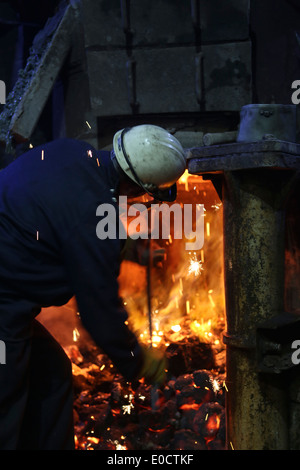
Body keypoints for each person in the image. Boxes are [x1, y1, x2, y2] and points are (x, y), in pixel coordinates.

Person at [0, 124, 186, 449]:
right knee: (6, 401)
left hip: (10, 296)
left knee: (52, 373)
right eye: (145, 193)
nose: (140, 200)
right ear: (135, 184)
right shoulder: (92, 215)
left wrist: (125, 246)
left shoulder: (74, 152)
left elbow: (61, 221)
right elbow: (98, 311)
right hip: (4, 305)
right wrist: (137, 360)